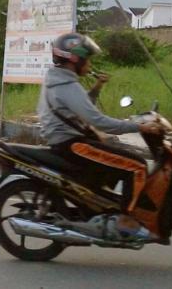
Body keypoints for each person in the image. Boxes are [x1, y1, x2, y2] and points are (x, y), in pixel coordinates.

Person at [37, 32, 162, 214]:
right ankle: (127, 221)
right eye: (87, 59)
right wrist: (140, 127)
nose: (89, 64)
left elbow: (80, 107)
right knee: (137, 165)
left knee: (115, 155)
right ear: (75, 60)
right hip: (72, 145)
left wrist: (97, 87)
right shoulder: (67, 86)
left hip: (64, 142)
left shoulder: (57, 80)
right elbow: (99, 121)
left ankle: (102, 208)